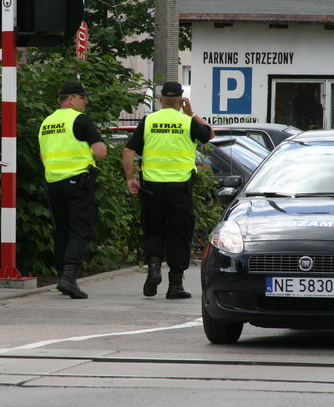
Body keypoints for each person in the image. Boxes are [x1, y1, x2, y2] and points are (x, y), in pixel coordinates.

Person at [122, 81, 214, 299]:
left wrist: (130, 179)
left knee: (154, 229)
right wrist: (192, 114)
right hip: (180, 189)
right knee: (179, 233)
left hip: (151, 188)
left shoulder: (149, 120)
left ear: (161, 99)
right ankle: (175, 286)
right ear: (181, 100)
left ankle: (154, 268)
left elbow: (127, 151)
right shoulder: (186, 121)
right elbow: (210, 134)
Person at [38, 81, 107, 299]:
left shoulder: (46, 123)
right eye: (82, 97)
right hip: (77, 183)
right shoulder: (81, 120)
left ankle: (64, 277)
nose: (85, 101)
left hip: (53, 184)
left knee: (62, 231)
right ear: (70, 99)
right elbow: (100, 152)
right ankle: (69, 277)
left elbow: (42, 155)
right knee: (80, 229)